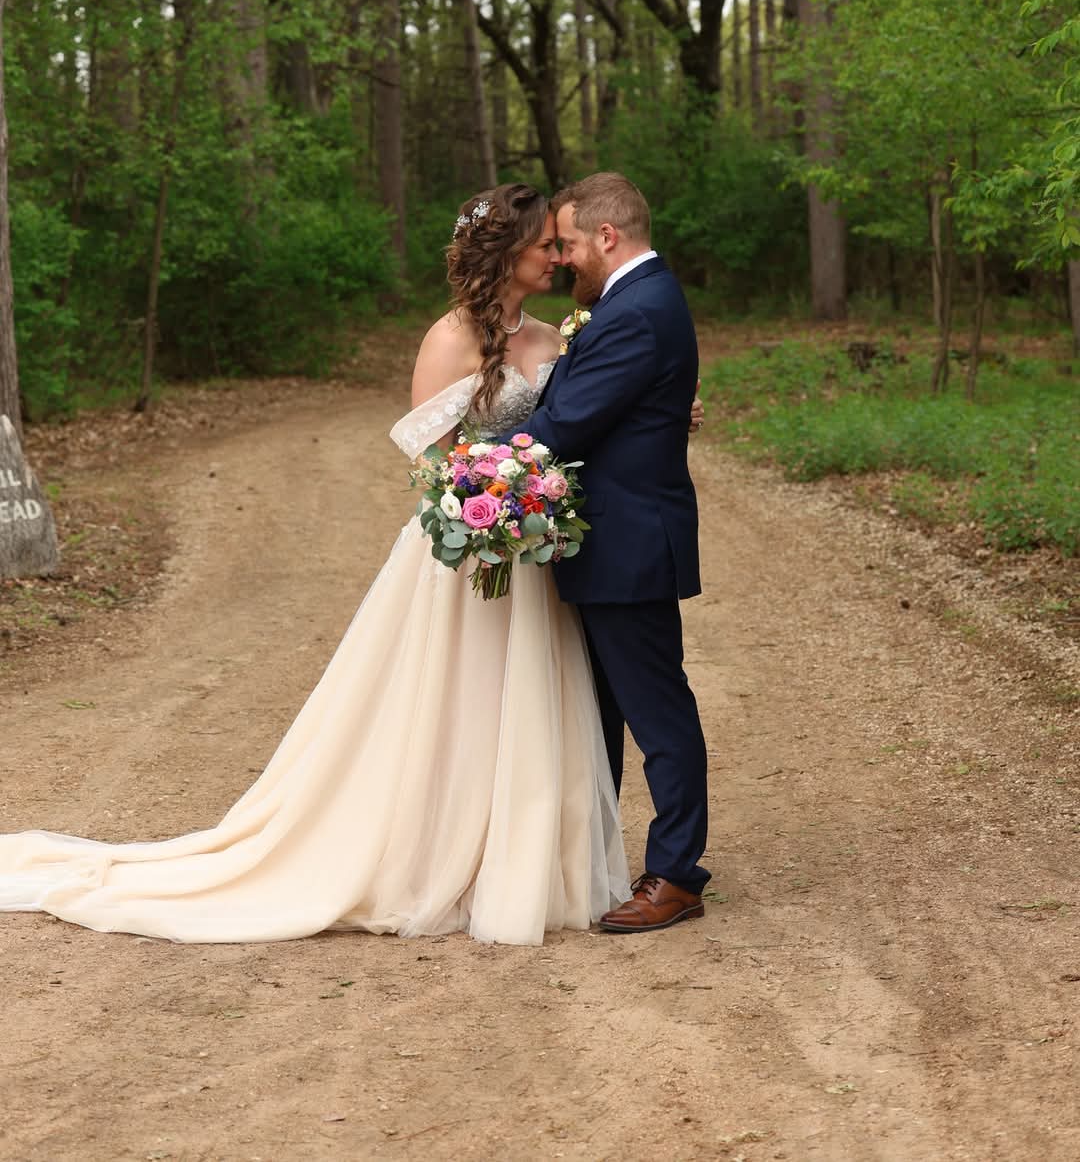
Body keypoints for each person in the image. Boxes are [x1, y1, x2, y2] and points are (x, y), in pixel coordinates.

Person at [0, 182, 701, 946]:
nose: (557, 258)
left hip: (537, 550)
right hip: (474, 553)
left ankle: (547, 856)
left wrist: (663, 409)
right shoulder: (450, 340)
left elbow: (592, 412)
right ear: (508, 252)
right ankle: (447, 855)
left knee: (548, 710)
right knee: (460, 711)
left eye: (563, 245)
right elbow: (433, 457)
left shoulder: (560, 334)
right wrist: (481, 496)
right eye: (544, 246)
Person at [516, 172, 709, 933]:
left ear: (606, 236)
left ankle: (677, 875)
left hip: (628, 544)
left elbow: (564, 424)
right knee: (601, 713)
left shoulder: (635, 312)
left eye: (568, 243)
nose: (563, 258)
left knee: (656, 711)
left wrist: (474, 461)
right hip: (612, 542)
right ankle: (598, 860)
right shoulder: (634, 303)